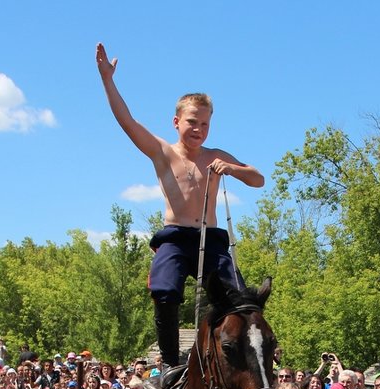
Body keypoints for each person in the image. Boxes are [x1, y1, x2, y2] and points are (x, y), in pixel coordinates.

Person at [96, 43, 264, 368]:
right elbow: (127, 121)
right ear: (176, 122)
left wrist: (233, 169)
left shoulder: (216, 156)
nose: (198, 129)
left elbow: (257, 179)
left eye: (204, 124)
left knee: (240, 295)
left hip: (210, 240)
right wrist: (107, 80)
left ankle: (237, 358)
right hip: (174, 238)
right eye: (192, 122)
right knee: (164, 291)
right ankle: (171, 364)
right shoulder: (163, 153)